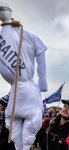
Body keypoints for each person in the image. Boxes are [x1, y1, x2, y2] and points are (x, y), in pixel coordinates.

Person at [0, 1, 48, 150]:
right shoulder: (23, 34)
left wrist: (42, 83)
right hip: (24, 92)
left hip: (18, 93)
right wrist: (42, 84)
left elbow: (40, 54)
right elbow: (41, 57)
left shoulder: (21, 35)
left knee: (16, 127)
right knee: (25, 128)